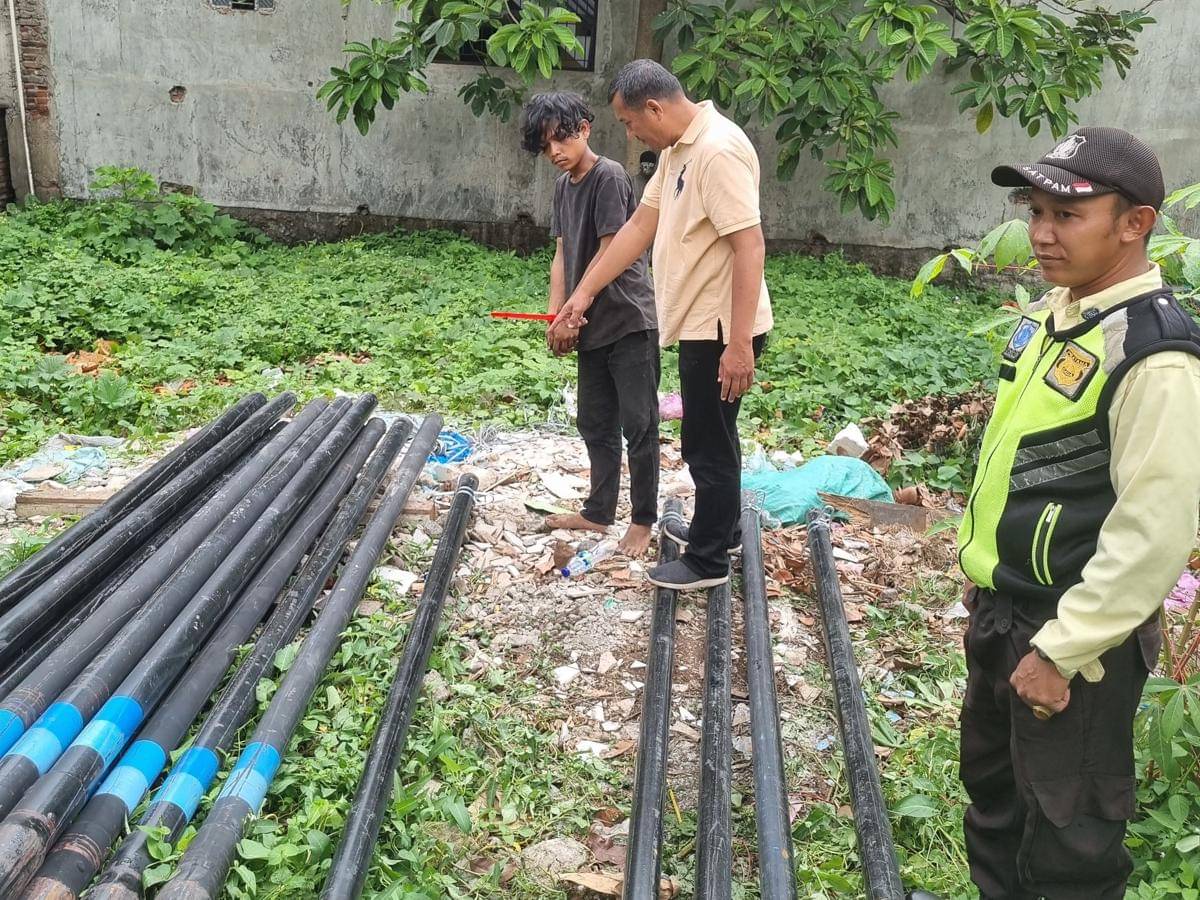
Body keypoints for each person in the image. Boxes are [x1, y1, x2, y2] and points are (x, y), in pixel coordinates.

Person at [957, 127, 1200, 898]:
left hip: (1074, 637)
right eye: (1035, 211)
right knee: (996, 802)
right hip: (1004, 612)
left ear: (1136, 224)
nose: (1041, 233)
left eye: (1067, 215)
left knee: (1070, 838)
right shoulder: (1056, 315)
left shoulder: (1154, 355)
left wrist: (1062, 651)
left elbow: (1154, 532)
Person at [549, 60, 773, 590]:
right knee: (715, 436)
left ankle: (708, 562)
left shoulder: (717, 150)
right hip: (700, 323)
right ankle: (723, 531)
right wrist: (581, 295)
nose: (630, 134)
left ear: (654, 108)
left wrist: (739, 343)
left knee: (706, 444)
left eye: (630, 123)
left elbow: (750, 246)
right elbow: (636, 230)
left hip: (720, 326)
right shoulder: (676, 153)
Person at [519, 91, 661, 557]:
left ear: (584, 129)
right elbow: (562, 255)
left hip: (628, 319)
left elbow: (610, 249)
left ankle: (642, 520)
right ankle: (599, 512)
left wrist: (574, 312)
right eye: (545, 146)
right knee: (594, 421)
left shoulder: (610, 176)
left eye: (561, 138)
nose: (555, 151)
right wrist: (556, 313)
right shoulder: (564, 187)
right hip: (589, 323)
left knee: (639, 423)